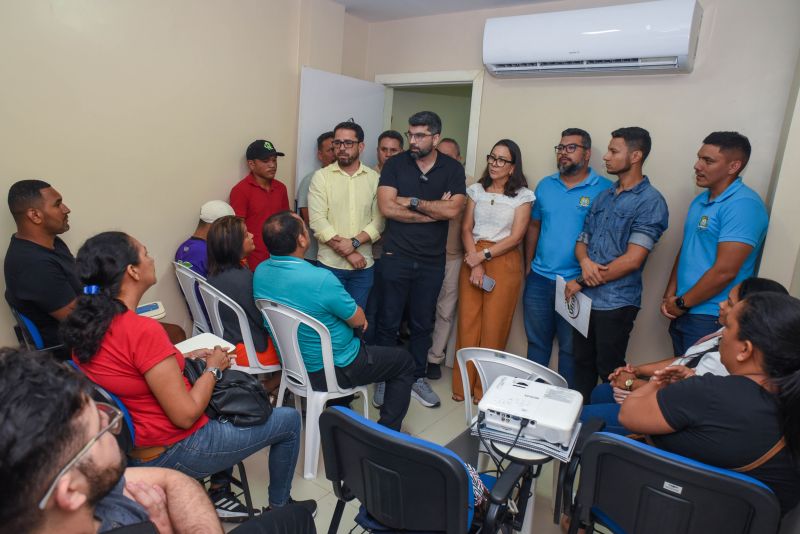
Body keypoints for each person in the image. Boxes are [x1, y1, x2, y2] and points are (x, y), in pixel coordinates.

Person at [60, 231, 313, 520]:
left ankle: (219, 492)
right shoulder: (142, 330)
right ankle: (280, 510)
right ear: (132, 271)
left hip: (136, 446)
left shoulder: (88, 326)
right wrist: (214, 367)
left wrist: (178, 358)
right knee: (289, 421)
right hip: (175, 448)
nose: (151, 258)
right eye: (145, 252)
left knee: (221, 401)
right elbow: (185, 415)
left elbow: (128, 370)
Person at [0, 348, 315, 534]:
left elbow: (169, 479)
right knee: (287, 428)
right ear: (70, 491)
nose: (115, 425)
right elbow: (185, 417)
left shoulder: (61, 486)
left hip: (165, 453)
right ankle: (278, 502)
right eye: (100, 426)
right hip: (179, 443)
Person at [619, 292, 800, 514]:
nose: (721, 333)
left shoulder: (709, 392)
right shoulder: (788, 402)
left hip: (665, 514)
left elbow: (628, 414)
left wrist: (658, 383)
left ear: (745, 350)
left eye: (729, 327)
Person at [253, 211, 415, 431]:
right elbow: (358, 320)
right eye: (304, 227)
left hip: (293, 366)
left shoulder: (260, 272)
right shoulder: (320, 279)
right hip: (334, 369)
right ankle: (386, 433)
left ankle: (339, 407)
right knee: (404, 361)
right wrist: (358, 320)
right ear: (302, 239)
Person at [582, 277, 788, 435]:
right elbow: (685, 359)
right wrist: (637, 370)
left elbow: (680, 402)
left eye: (730, 303)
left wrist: (630, 383)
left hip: (663, 409)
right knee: (601, 391)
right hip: (667, 396)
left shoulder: (726, 363)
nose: (721, 305)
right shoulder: (722, 335)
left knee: (578, 418)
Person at [564, 127, 669, 403]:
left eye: (613, 151)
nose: (606, 157)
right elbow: (582, 240)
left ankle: (605, 431)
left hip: (616, 302)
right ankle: (578, 425)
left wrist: (583, 279)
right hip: (586, 301)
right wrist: (584, 261)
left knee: (610, 372)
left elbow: (633, 260)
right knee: (581, 365)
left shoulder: (651, 202)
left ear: (635, 155)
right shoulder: (604, 196)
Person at [376, 111, 467, 409]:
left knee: (421, 323)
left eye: (419, 135)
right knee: (388, 321)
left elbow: (453, 211)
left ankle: (416, 377)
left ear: (435, 137)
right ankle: (383, 377)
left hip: (431, 261)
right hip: (395, 255)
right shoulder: (395, 164)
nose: (412, 141)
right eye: (410, 135)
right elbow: (387, 208)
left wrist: (412, 201)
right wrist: (432, 211)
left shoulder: (452, 169)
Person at [661, 131, 769, 356]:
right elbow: (688, 248)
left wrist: (681, 303)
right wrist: (671, 294)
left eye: (708, 161)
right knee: (680, 381)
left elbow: (725, 271)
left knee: (698, 384)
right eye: (699, 158)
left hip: (712, 315)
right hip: (685, 308)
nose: (697, 166)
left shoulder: (744, 205)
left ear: (734, 166)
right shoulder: (700, 200)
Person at [523, 129, 611, 386]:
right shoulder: (545, 185)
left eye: (571, 148)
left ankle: (563, 408)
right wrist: (528, 263)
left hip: (577, 283)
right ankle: (532, 401)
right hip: (539, 279)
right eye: (560, 147)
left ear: (587, 153)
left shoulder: (604, 189)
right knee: (536, 344)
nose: (563, 152)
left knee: (572, 351)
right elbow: (534, 226)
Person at [452, 139, 534, 403]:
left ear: (512, 167)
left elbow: (516, 237)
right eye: (492, 157)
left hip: (504, 260)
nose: (495, 164)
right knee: (467, 323)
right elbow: (466, 228)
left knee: (494, 327)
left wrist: (483, 256)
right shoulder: (476, 190)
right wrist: (475, 261)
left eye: (502, 160)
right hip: (472, 256)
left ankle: (483, 390)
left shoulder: (523, 195)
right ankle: (462, 386)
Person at [309, 121, 384, 308]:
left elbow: (379, 221)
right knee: (329, 321)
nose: (342, 148)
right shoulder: (321, 177)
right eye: (337, 143)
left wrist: (355, 244)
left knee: (358, 322)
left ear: (361, 146)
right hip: (329, 265)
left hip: (363, 267)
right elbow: (318, 222)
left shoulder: (374, 179)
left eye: (348, 143)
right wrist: (350, 253)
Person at [4, 179, 78, 356]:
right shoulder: (33, 265)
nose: (66, 209)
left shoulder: (53, 243)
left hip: (90, 336)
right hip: (78, 350)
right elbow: (81, 321)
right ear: (35, 215)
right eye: (58, 204)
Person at [206, 215, 280, 391]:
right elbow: (263, 321)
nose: (253, 235)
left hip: (230, 339)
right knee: (297, 347)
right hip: (251, 351)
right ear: (235, 245)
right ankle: (267, 387)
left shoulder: (215, 274)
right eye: (247, 235)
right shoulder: (244, 280)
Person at [426, 138, 471, 380]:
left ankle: (434, 357)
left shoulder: (468, 188)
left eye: (449, 156)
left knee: (445, 310)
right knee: (421, 308)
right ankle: (415, 354)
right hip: (424, 254)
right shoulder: (424, 180)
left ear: (459, 159)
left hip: (453, 257)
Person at [364, 130, 404, 345]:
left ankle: (385, 358)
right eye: (383, 149)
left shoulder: (406, 176)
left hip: (397, 253)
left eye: (393, 150)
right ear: (377, 150)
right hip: (368, 253)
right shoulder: (366, 176)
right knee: (370, 309)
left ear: (402, 151)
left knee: (391, 311)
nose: (387, 154)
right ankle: (368, 358)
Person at [230, 140, 290, 270]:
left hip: (280, 259)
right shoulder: (240, 190)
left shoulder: (281, 188)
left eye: (274, 160)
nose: (272, 165)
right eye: (266, 161)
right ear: (251, 164)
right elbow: (237, 232)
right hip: (254, 262)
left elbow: (287, 222)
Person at [295, 131, 335, 265]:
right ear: (320, 155)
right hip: (314, 256)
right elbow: (309, 219)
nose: (335, 154)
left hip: (340, 257)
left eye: (337, 149)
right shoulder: (311, 180)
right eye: (330, 150)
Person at [175, 200, 236, 277]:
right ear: (214, 225)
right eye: (227, 227)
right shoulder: (204, 251)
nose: (229, 232)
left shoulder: (185, 246)